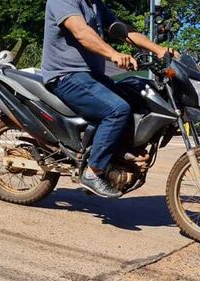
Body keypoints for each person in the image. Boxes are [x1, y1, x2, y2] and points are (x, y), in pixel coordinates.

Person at [41, 0, 172, 198]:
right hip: (66, 75)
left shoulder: (95, 5)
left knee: (138, 95)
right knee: (117, 110)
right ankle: (93, 173)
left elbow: (124, 30)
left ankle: (119, 155)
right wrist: (113, 54)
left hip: (91, 76)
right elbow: (81, 33)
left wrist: (158, 50)